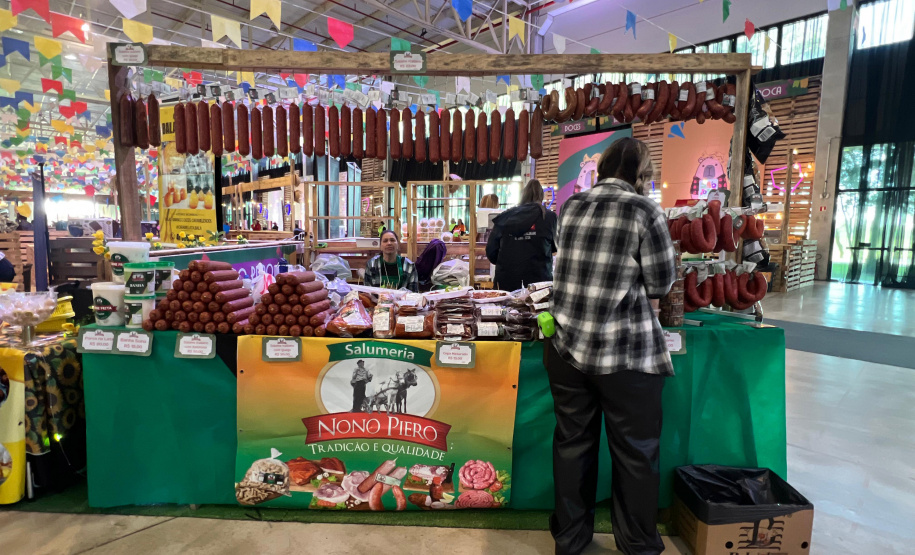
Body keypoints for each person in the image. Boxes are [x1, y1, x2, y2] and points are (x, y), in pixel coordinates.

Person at [546, 137, 676, 555]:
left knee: (572, 444)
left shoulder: (570, 206)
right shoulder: (645, 210)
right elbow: (661, 283)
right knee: (636, 454)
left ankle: (569, 540)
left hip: (566, 346)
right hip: (627, 352)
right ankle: (637, 544)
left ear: (600, 169)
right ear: (640, 174)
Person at [485, 179, 557, 291]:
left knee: (505, 309)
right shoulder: (549, 218)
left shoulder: (505, 216)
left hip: (506, 285)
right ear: (541, 196)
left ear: (523, 195)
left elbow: (491, 251)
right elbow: (555, 247)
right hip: (539, 287)